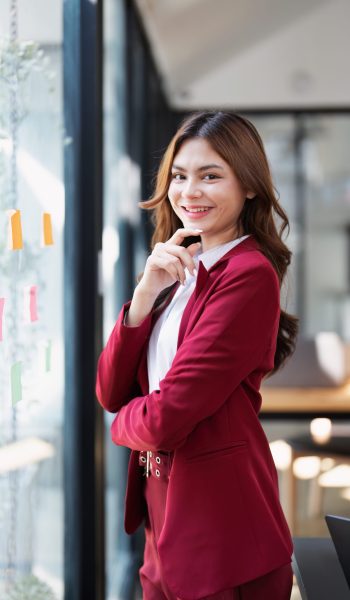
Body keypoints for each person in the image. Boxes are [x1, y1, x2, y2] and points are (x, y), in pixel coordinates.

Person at [96, 111, 299, 600]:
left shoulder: (248, 274)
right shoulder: (181, 268)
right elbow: (109, 389)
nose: (190, 192)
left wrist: (121, 422)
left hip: (219, 529)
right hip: (163, 515)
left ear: (249, 185)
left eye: (211, 176)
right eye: (180, 176)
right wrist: (144, 296)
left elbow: (164, 417)